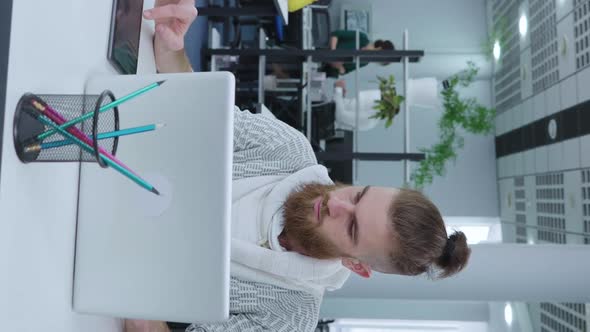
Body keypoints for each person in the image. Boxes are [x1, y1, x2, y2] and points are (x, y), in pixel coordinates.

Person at [126, 2, 471, 331]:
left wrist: (141, 314)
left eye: (351, 226)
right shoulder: (287, 150)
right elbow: (197, 105)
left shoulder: (289, 315)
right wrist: (172, 46)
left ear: (356, 266)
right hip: (113, 157)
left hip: (108, 269)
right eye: (358, 194)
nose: (336, 203)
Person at [325, 30, 394, 78]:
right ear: (380, 48)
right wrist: (333, 52)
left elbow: (345, 71)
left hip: (323, 66)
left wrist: (339, 66)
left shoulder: (365, 62)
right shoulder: (362, 37)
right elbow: (336, 34)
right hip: (321, 48)